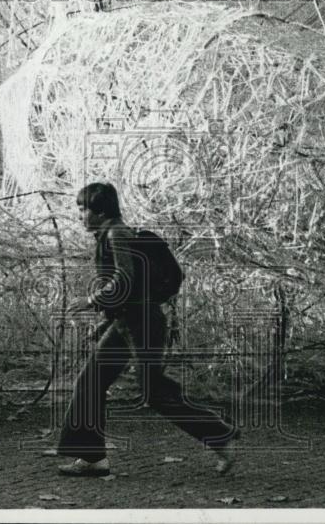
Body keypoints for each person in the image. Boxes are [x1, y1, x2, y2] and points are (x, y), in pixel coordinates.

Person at [56, 182, 238, 477]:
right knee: (90, 382)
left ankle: (220, 436)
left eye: (83, 209)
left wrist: (92, 301)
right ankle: (92, 458)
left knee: (154, 392)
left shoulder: (116, 234)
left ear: (100, 211)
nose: (80, 215)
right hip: (127, 323)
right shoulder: (109, 234)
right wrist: (106, 321)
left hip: (144, 325)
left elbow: (125, 281)